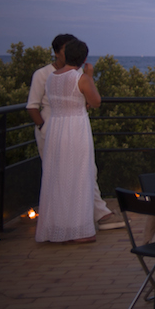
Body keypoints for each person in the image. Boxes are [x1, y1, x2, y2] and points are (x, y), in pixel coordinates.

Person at [27, 34, 122, 231]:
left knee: (71, 174)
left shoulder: (55, 76)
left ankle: (84, 217)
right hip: (63, 129)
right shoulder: (55, 75)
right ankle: (76, 223)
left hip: (60, 128)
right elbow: (94, 102)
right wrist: (43, 127)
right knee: (72, 175)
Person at [35, 39, 101, 244]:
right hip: (75, 129)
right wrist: (89, 76)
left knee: (57, 176)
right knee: (80, 174)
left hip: (56, 128)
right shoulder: (81, 78)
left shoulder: (51, 77)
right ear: (83, 58)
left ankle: (57, 227)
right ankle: (80, 230)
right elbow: (96, 102)